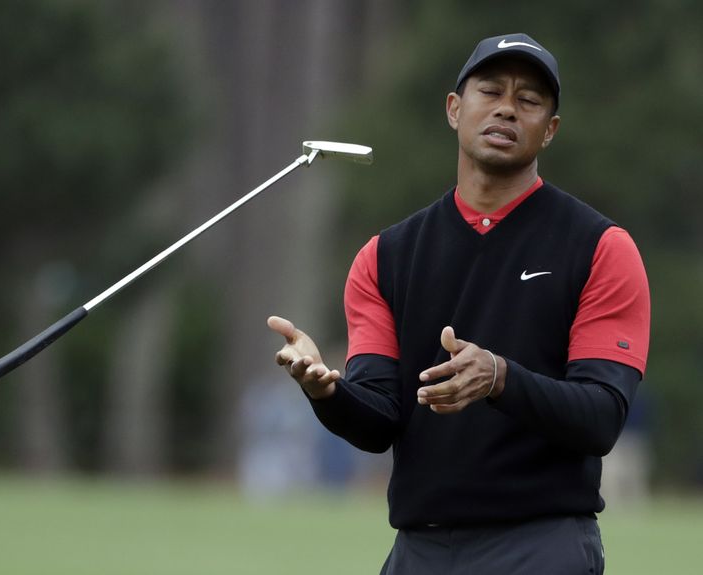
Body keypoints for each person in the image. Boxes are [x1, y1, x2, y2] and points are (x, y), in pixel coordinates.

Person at [268, 33, 650, 575]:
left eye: (528, 100)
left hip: (542, 545)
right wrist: (326, 391)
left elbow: (601, 418)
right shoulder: (384, 257)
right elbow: (378, 422)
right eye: (490, 91)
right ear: (454, 109)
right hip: (419, 549)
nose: (506, 108)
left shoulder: (601, 248)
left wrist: (499, 377)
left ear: (550, 130)